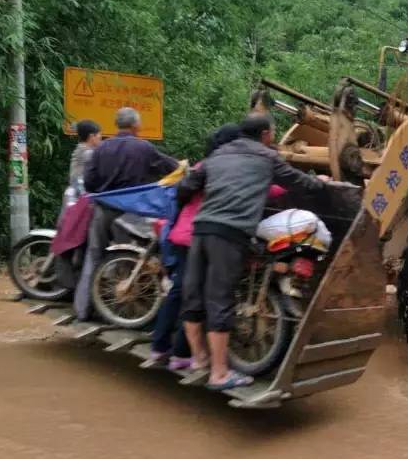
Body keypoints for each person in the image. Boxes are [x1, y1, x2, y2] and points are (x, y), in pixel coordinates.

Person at [179, 114, 327, 390]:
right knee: (221, 298)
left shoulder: (219, 154)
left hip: (202, 229)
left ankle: (200, 360)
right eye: (272, 132)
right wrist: (322, 181)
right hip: (230, 232)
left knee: (194, 293)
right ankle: (220, 374)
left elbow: (187, 186)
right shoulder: (266, 157)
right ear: (266, 134)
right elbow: (299, 182)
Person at [147, 123, 242, 371]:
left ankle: (168, 348)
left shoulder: (207, 166)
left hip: (187, 234)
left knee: (185, 293)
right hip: (192, 236)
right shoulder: (213, 168)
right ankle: (170, 350)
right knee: (187, 294)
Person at [74, 107, 178, 320]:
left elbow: (90, 181)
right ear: (135, 125)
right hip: (132, 214)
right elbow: (169, 168)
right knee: (129, 259)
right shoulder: (143, 148)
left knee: (94, 256)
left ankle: (83, 310)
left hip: (103, 209)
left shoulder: (101, 148)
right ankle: (123, 311)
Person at [69, 119, 102, 191]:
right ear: (91, 137)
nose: (100, 137)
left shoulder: (80, 150)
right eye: (99, 134)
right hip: (83, 197)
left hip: (78, 194)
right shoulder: (88, 154)